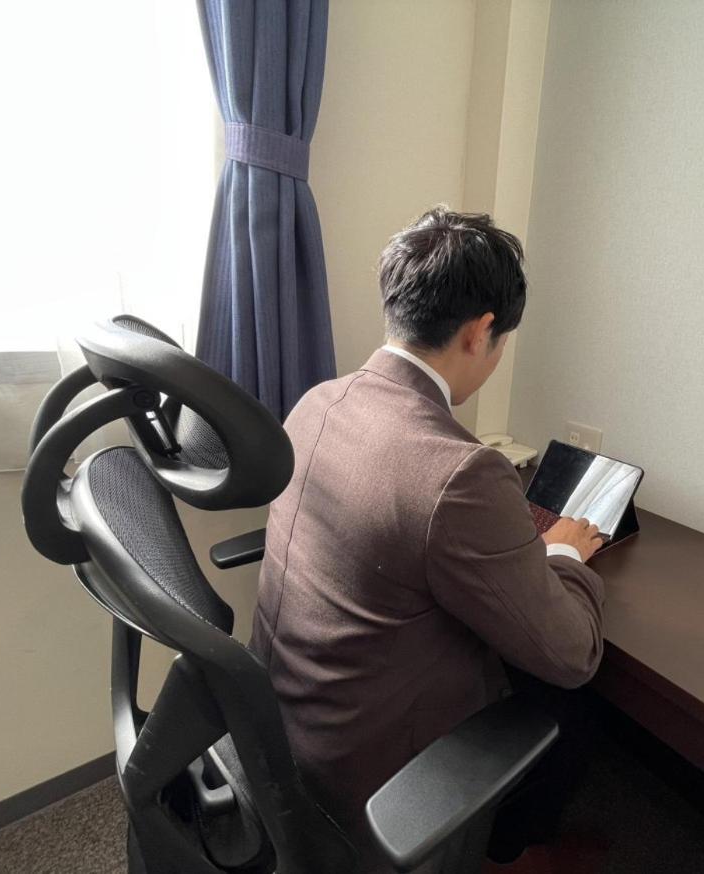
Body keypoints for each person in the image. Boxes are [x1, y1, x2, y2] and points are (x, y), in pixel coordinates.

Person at [250, 206, 605, 869]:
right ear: (480, 332)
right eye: (501, 343)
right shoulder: (462, 473)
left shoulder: (315, 402)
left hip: (278, 729)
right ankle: (514, 851)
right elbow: (573, 653)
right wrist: (561, 552)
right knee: (568, 702)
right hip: (372, 785)